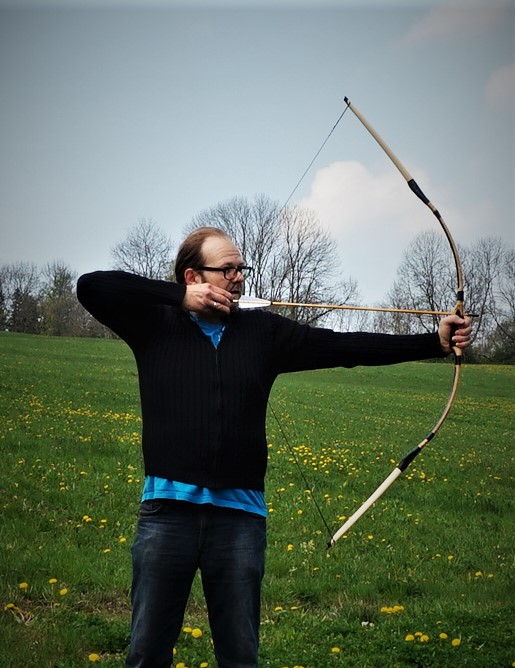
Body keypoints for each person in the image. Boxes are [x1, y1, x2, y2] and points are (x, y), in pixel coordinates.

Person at [76, 226, 472, 668]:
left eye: (241, 269)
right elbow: (91, 286)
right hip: (168, 514)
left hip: (239, 519)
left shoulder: (262, 331)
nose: (239, 277)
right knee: (147, 653)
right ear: (193, 276)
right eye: (227, 269)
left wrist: (433, 342)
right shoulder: (154, 324)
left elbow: (344, 346)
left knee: (240, 656)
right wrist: (178, 299)